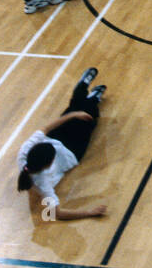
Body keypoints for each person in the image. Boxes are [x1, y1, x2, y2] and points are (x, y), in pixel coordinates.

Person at [16, 66, 108, 221]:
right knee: (89, 118)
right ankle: (92, 97)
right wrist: (90, 212)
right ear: (49, 163)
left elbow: (46, 128)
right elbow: (57, 214)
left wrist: (72, 115)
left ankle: (88, 93)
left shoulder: (25, 152)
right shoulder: (42, 182)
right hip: (71, 151)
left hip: (58, 139)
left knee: (77, 112)